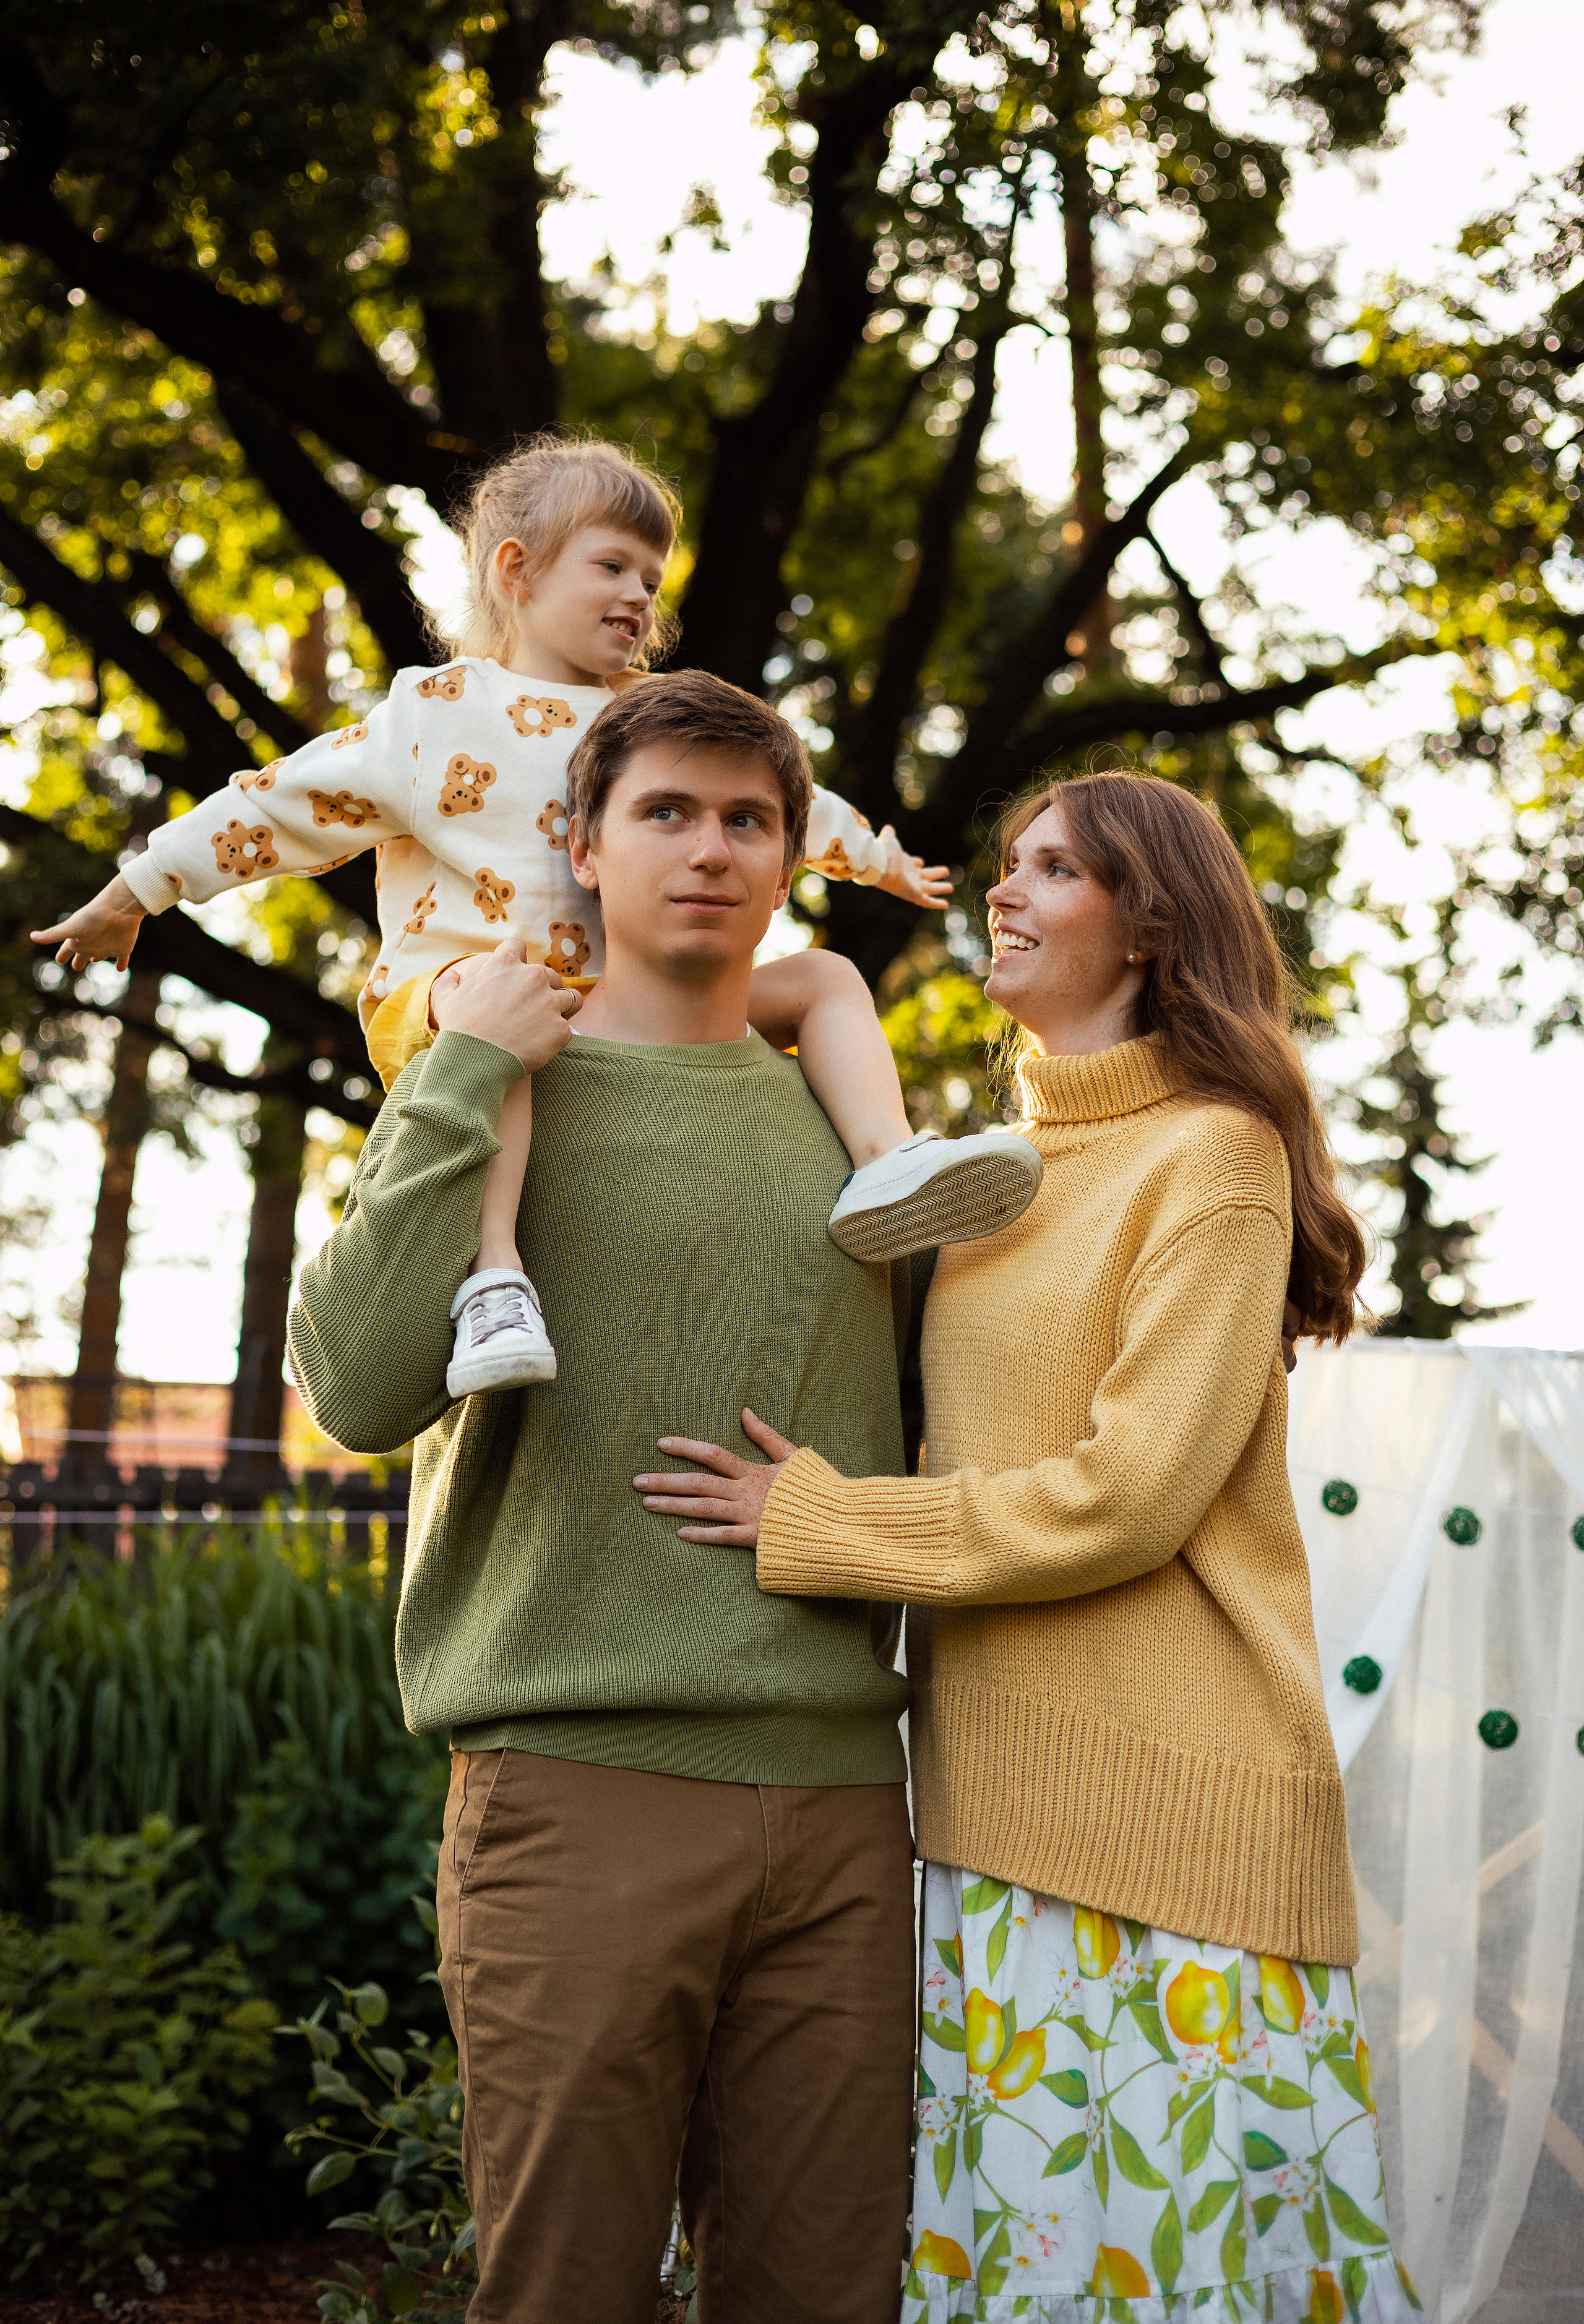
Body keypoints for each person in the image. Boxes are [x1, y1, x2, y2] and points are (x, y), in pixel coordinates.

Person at [635, 769, 1421, 2322]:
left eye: (1052, 871)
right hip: (985, 1825)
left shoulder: (1211, 1156)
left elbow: (1128, 1496)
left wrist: (825, 1523)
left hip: (1167, 1828)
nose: (1003, 892)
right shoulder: (988, 1168)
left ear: (1148, 924)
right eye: (1003, 865)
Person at [287, 672, 922, 2324]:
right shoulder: (496, 1090)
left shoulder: (863, 1130)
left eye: (747, 819)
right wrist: (451, 1076)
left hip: (851, 1801)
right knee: (565, 2293)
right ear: (577, 839)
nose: (709, 848)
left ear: (790, 856)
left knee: (824, 2295)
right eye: (666, 810)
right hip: (578, 1788)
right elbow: (355, 1394)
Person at [33, 436, 1040, 1400]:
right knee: (507, 1009)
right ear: (517, 570)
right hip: (457, 1001)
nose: (641, 595)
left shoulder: (648, 716)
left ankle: (885, 1166)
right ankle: (495, 1282)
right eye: (614, 567)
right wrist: (134, 893)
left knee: (825, 979)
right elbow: (275, 803)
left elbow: (781, 793)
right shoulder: (433, 715)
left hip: (616, 1006)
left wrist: (875, 857)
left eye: (653, 577)